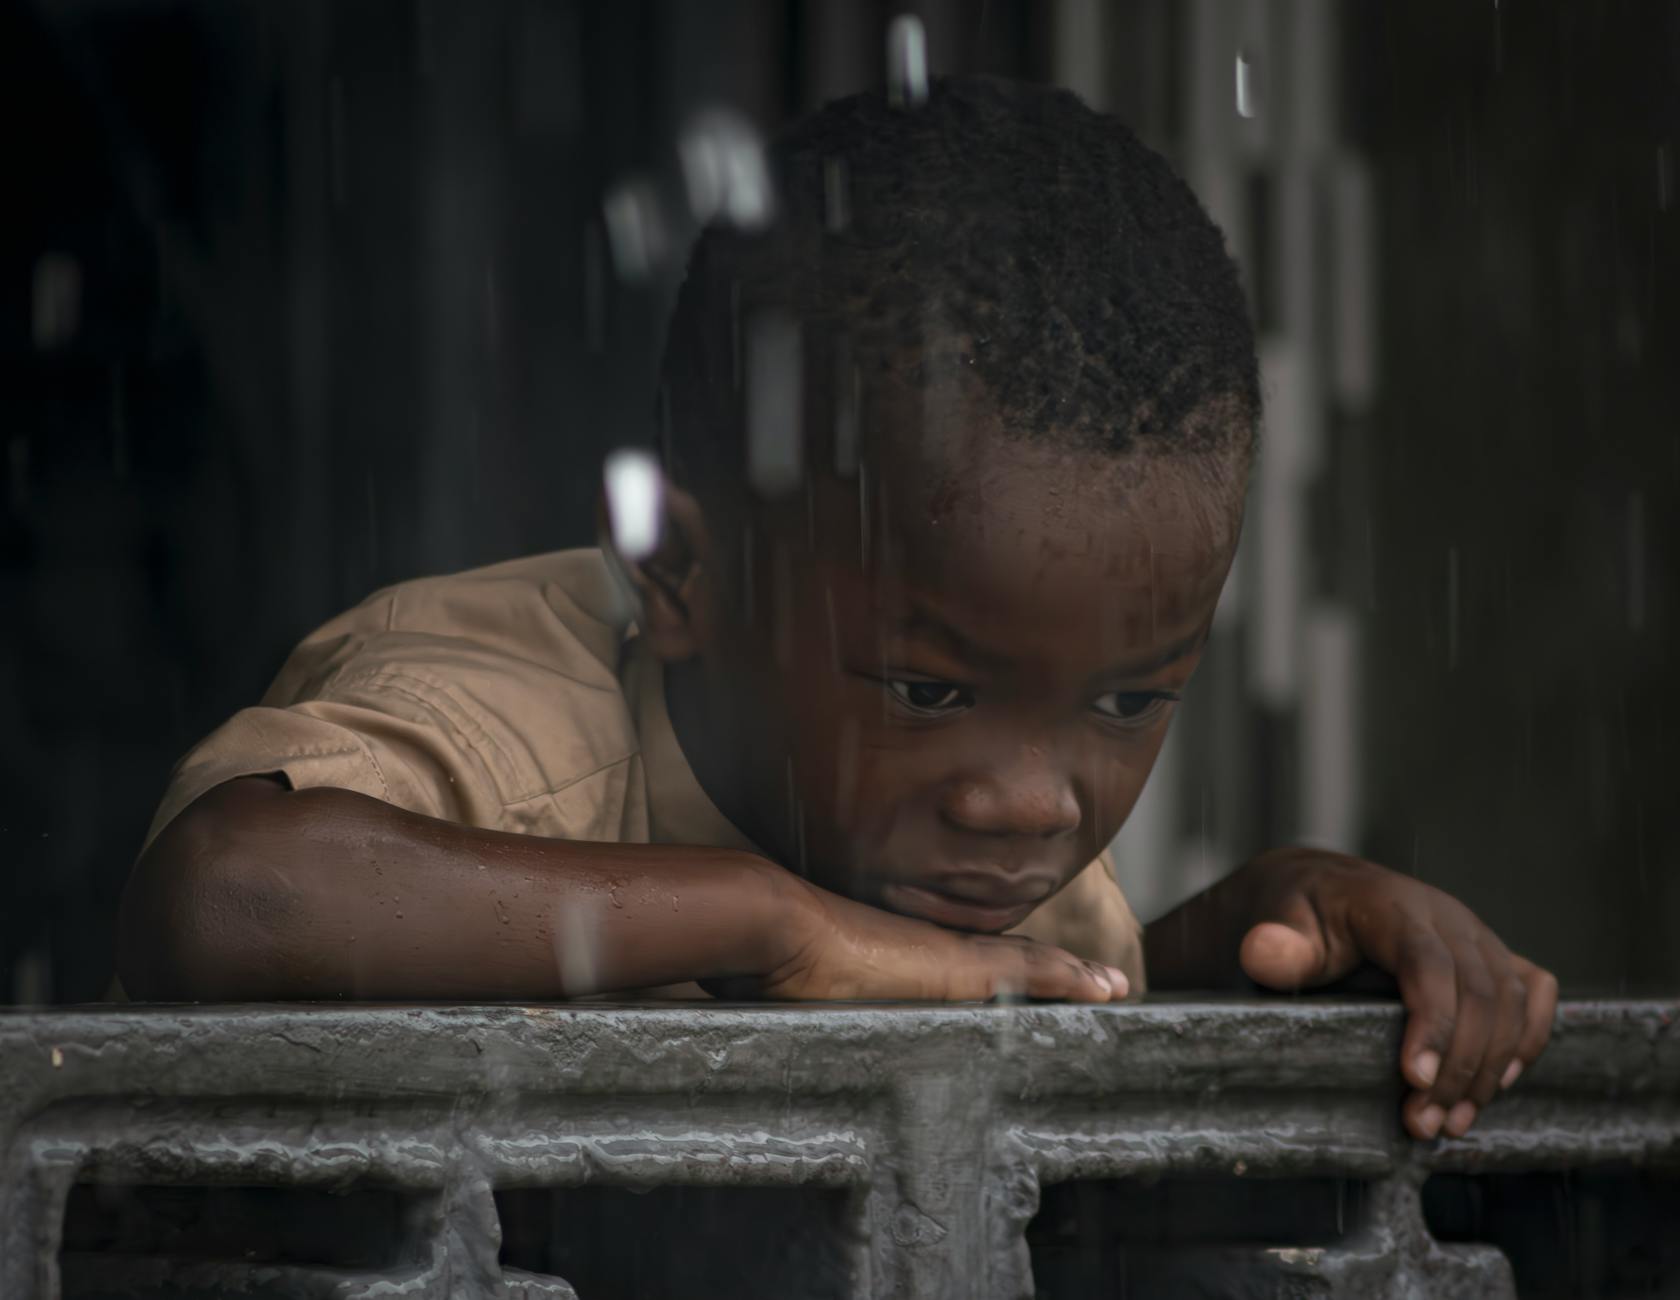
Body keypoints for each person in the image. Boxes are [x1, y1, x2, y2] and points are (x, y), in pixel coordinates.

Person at [117, 77, 1556, 1143]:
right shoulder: (505, 714)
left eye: (1126, 701)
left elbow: (1022, 1014)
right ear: (682, 575)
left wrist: (1243, 942)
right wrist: (767, 922)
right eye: (928, 690)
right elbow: (235, 895)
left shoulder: (960, 832)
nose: (1031, 803)